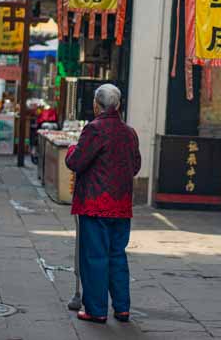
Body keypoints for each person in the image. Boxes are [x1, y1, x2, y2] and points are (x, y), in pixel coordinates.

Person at [65, 84, 140, 324]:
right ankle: (122, 307)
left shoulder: (94, 129)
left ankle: (96, 310)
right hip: (121, 204)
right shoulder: (130, 133)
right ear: (118, 106)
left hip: (95, 204)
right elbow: (135, 166)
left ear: (97, 105)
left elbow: (77, 161)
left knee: (95, 257)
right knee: (117, 255)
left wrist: (71, 150)